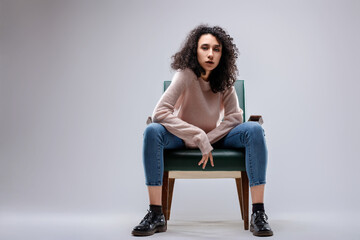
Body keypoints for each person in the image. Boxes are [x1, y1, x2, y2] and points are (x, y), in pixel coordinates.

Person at [132, 24, 273, 237]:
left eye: (216, 49)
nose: (210, 54)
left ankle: (258, 214)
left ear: (222, 54)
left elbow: (235, 118)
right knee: (152, 131)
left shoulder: (224, 79)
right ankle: (155, 214)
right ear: (194, 50)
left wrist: (207, 138)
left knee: (253, 129)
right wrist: (196, 136)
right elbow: (160, 112)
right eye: (205, 47)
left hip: (217, 137)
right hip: (181, 138)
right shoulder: (186, 75)